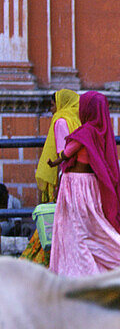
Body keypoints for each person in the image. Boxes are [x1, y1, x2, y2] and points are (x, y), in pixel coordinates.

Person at [48, 91, 120, 276]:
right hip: (90, 184)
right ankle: (104, 266)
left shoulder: (86, 131)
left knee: (78, 228)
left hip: (77, 184)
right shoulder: (102, 131)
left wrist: (55, 162)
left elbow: (67, 152)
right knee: (90, 225)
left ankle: (105, 265)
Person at [22, 89, 81, 265]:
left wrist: (58, 183)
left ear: (61, 104)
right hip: (77, 178)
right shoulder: (76, 120)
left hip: (65, 179)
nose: (51, 109)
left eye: (52, 104)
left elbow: (62, 154)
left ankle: (40, 262)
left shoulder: (61, 121)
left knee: (53, 223)